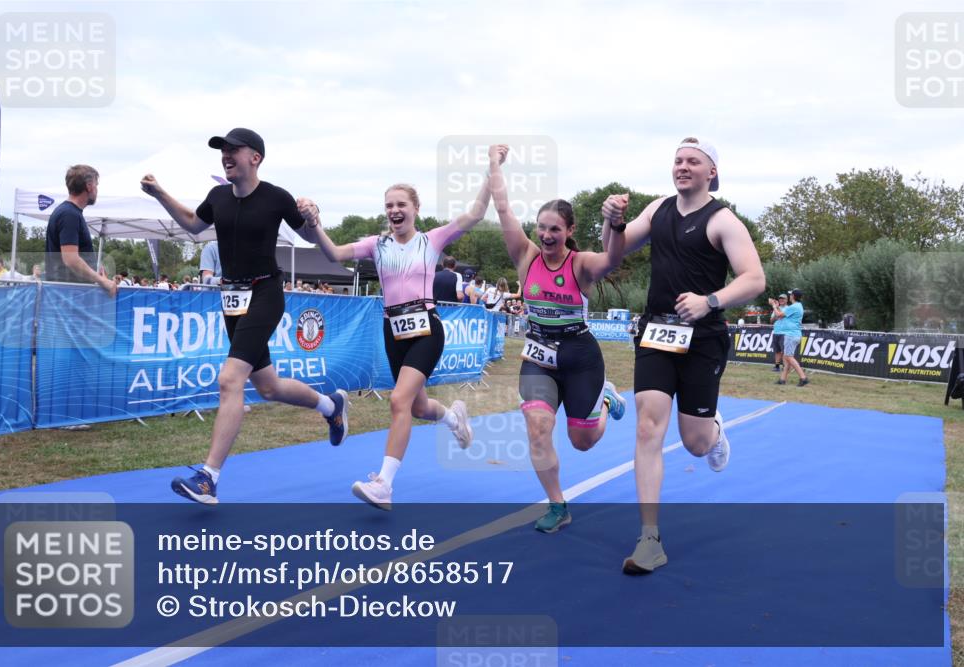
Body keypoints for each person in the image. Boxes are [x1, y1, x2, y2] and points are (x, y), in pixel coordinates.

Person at [141, 127, 350, 504]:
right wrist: (159, 194)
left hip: (265, 292)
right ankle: (330, 406)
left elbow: (307, 237)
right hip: (231, 296)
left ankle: (209, 477)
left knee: (229, 378)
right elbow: (192, 224)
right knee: (267, 387)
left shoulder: (275, 197)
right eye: (222, 150)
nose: (226, 155)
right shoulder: (218, 196)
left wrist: (314, 216)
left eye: (233, 150)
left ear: (255, 157)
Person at [602, 137, 765, 573]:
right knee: (648, 426)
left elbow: (754, 279)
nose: (683, 166)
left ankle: (713, 429)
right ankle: (649, 539)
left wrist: (709, 301)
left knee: (694, 444)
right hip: (656, 332)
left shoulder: (723, 219)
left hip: (703, 338)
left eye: (693, 161)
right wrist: (611, 222)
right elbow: (613, 254)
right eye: (678, 160)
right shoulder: (657, 210)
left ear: (711, 171)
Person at [301, 175, 492, 510]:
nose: (394, 210)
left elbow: (476, 213)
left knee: (398, 401)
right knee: (416, 407)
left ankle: (384, 485)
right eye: (389, 205)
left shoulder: (432, 241)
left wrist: (492, 171)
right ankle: (453, 418)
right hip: (393, 332)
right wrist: (314, 223)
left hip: (426, 331)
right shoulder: (377, 245)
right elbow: (333, 254)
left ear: (415, 209)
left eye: (401, 204)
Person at [488, 144, 627, 532]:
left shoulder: (579, 264)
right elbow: (502, 209)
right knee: (537, 427)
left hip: (580, 355)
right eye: (542, 228)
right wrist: (493, 164)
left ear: (569, 231)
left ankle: (607, 400)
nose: (547, 235)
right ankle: (557, 505)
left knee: (582, 440)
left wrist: (616, 225)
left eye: (555, 229)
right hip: (538, 354)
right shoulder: (525, 257)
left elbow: (612, 259)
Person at [45, 165, 118, 297]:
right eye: (96, 185)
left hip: (67, 295)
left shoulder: (69, 212)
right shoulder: (69, 214)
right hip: (67, 297)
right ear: (89, 186)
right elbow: (71, 259)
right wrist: (101, 281)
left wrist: (96, 274)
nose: (97, 190)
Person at [774, 289, 809, 386]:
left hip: (791, 335)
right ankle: (782, 379)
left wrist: (774, 306)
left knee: (789, 357)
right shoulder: (798, 306)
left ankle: (803, 377)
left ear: (793, 296)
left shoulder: (794, 307)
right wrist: (777, 307)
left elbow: (779, 315)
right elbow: (784, 313)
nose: (789, 296)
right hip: (795, 334)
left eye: (790, 295)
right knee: (786, 358)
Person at [769, 292, 788, 371]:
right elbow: (771, 321)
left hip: (785, 332)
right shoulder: (776, 308)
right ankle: (777, 366)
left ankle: (785, 366)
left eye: (783, 299)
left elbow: (782, 316)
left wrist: (775, 308)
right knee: (777, 351)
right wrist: (775, 314)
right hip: (776, 332)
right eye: (780, 299)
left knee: (784, 351)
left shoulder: (789, 308)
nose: (781, 300)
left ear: (787, 300)